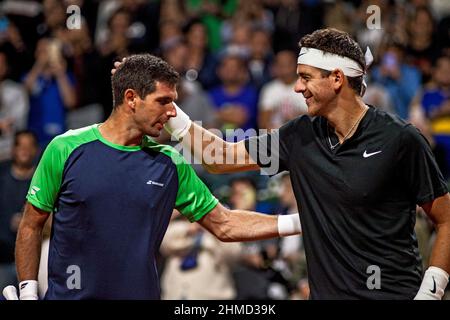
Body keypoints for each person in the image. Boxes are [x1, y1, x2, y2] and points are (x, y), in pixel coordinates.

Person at [160, 28, 450, 300]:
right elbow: (219, 158)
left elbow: (446, 219)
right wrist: (167, 108)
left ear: (337, 79)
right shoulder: (298, 136)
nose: (298, 87)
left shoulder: (400, 139)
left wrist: (431, 291)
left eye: (306, 77)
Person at [3, 54, 300, 300]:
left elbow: (225, 224)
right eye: (164, 101)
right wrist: (28, 293)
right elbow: (31, 223)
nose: (173, 112)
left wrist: (302, 221)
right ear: (131, 98)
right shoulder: (65, 148)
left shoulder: (170, 163)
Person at [0, 131, 38, 290]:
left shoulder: (42, 179)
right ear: (12, 149)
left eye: (29, 146)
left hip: (35, 262)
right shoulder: (1, 176)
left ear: (36, 150)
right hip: (3, 258)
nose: (24, 150)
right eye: (20, 145)